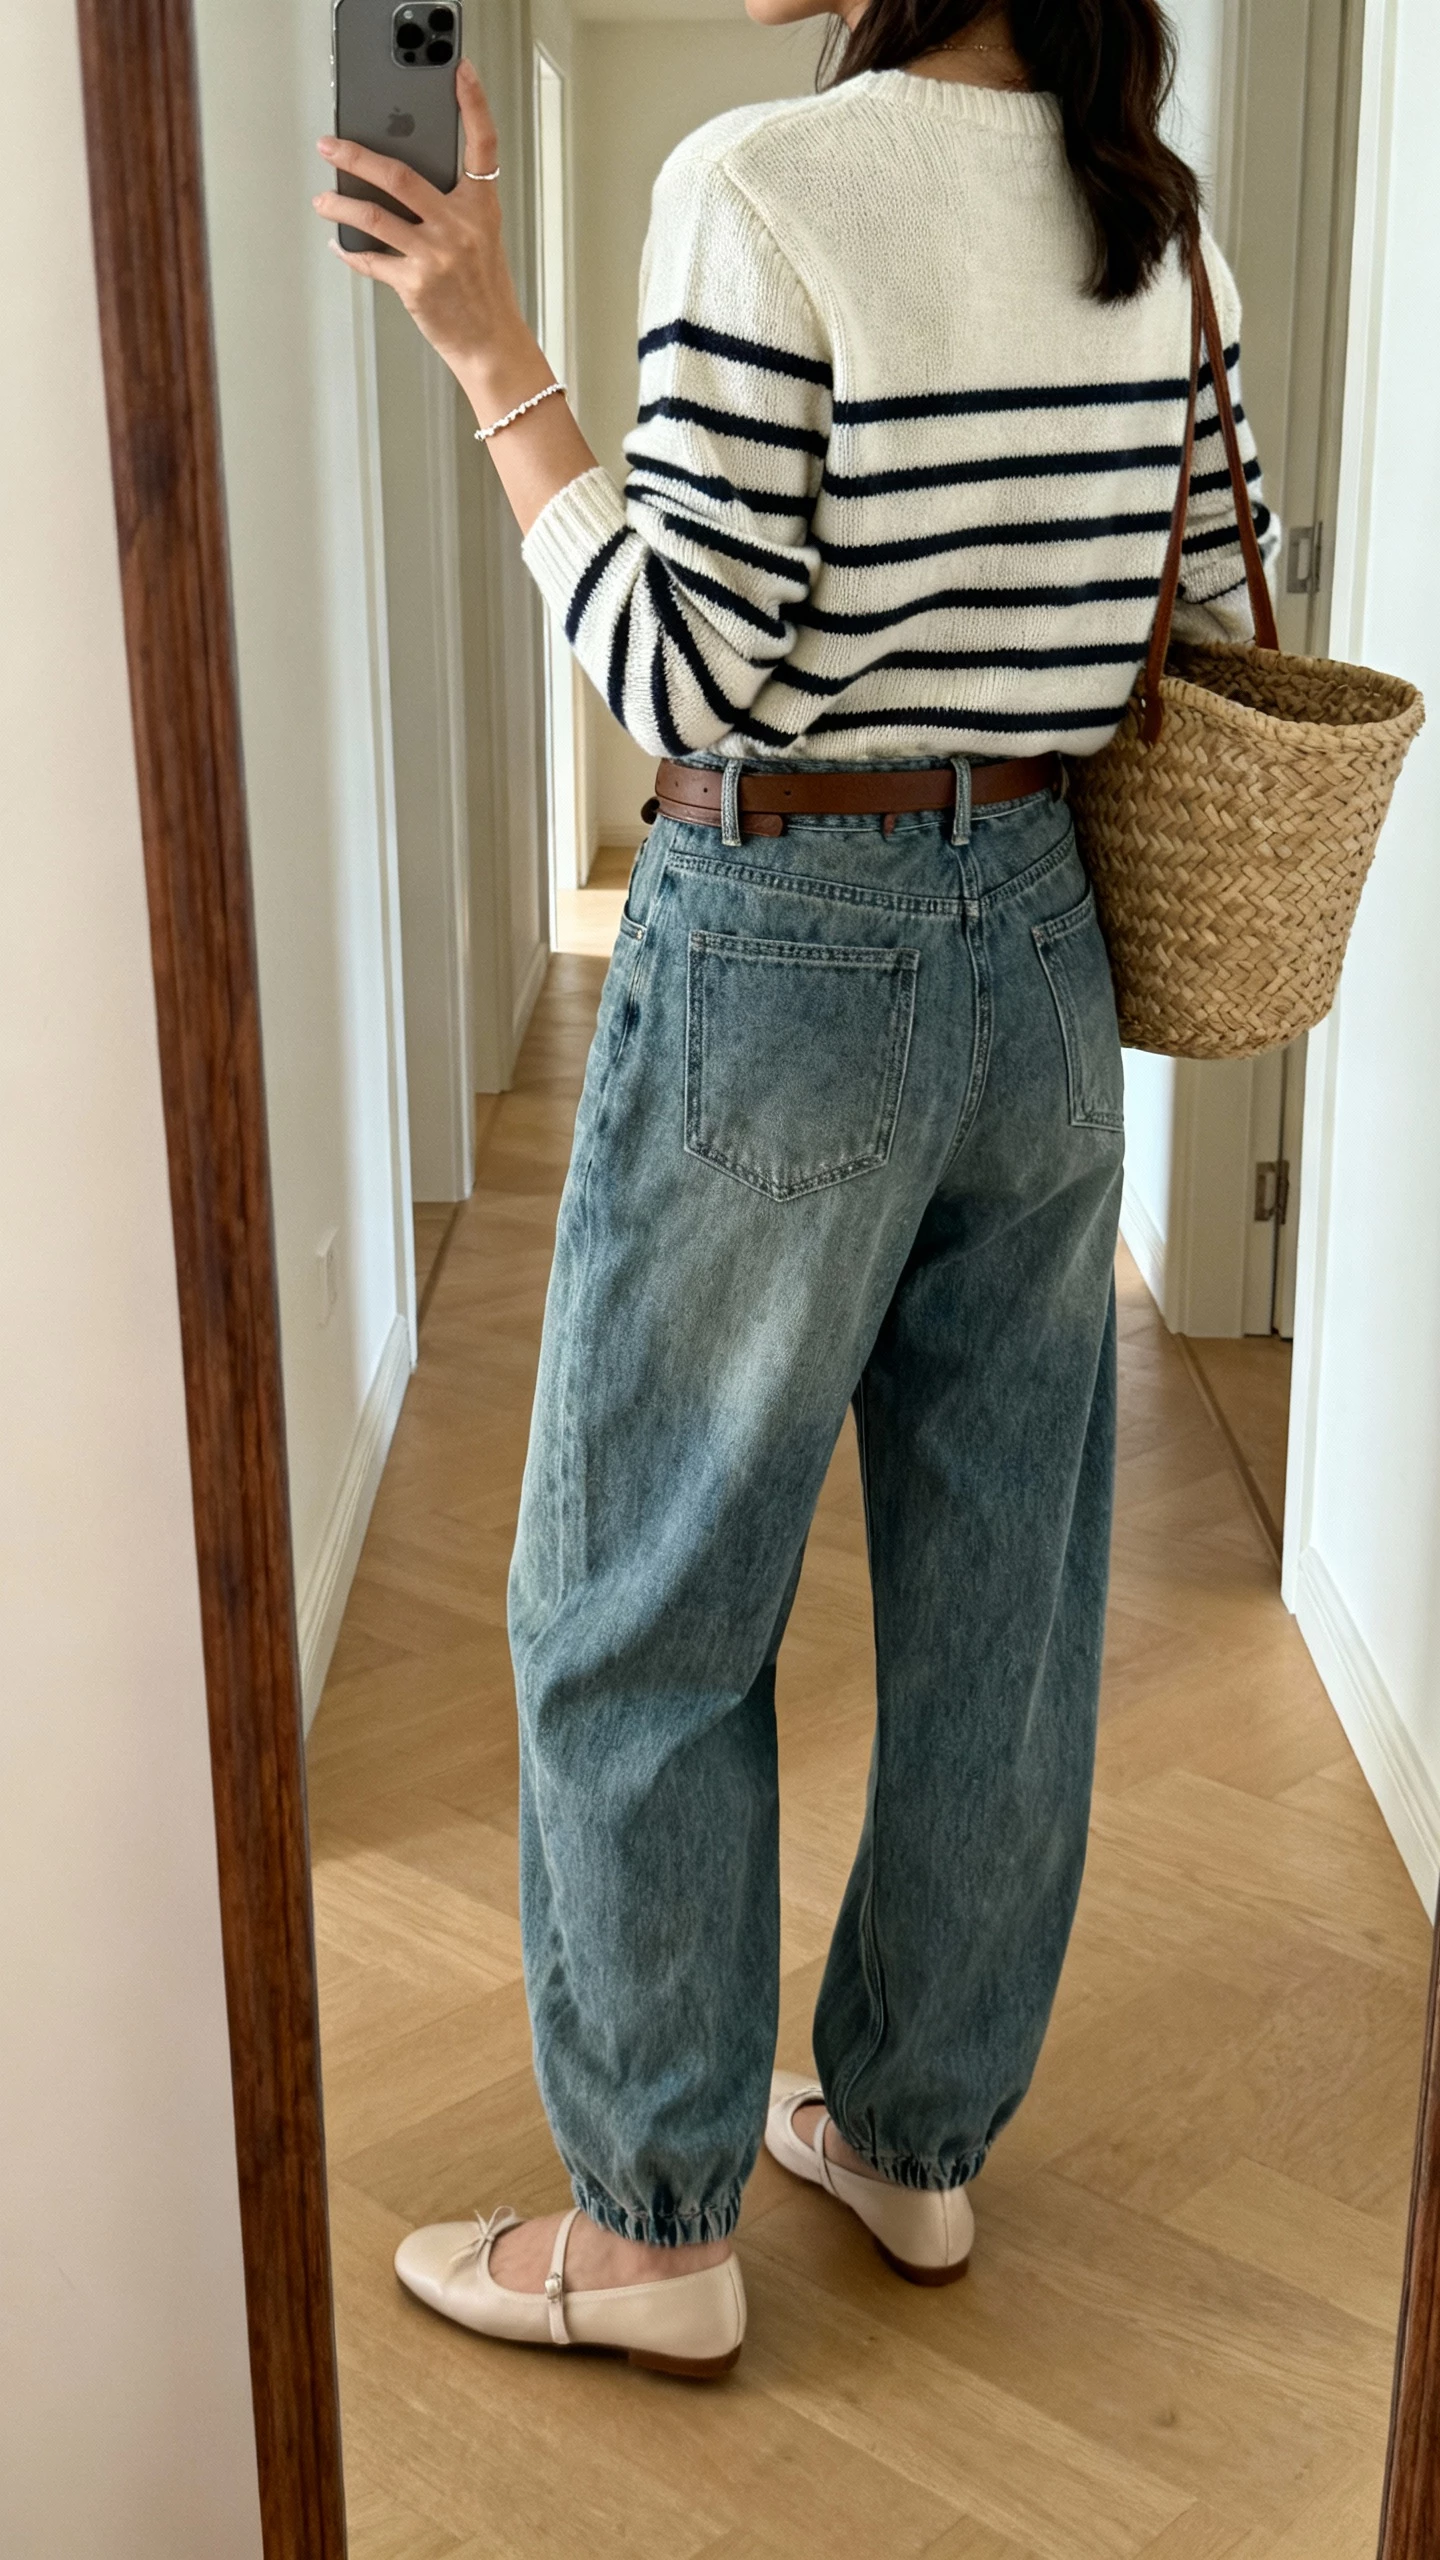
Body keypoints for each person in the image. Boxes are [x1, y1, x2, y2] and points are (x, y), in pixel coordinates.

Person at [312, 0, 1276, 2379]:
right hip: (1045, 949)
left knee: (637, 1593)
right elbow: (1231, 620)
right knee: (1001, 1597)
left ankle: (653, 2227)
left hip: (789, 945)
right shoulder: (1154, 215)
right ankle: (915, 2137)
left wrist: (489, 356)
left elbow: (691, 672)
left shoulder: (766, 188)